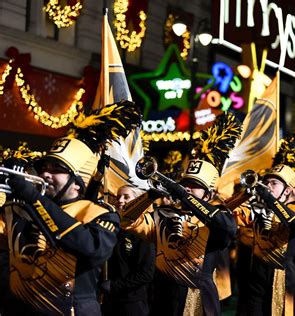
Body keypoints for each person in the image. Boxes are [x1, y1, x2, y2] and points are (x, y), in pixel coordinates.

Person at [0, 100, 141, 315]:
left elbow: (91, 248)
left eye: (57, 169)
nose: (46, 173)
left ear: (77, 183)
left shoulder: (100, 213)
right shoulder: (23, 206)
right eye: (44, 167)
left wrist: (33, 198)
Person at [120, 113, 241, 315]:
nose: (188, 189)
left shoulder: (215, 218)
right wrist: (150, 195)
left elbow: (227, 227)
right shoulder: (162, 215)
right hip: (162, 300)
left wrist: (185, 197)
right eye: (186, 185)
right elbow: (126, 220)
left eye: (195, 187)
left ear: (209, 194)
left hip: (199, 303)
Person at [233, 131, 295, 315]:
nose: (267, 186)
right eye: (266, 182)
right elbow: (228, 214)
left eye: (273, 183)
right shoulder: (257, 206)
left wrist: (269, 199)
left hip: (282, 276)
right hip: (256, 273)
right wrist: (246, 193)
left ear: (288, 191)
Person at [101, 185, 155, 316]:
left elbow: (146, 273)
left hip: (132, 303)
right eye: (118, 196)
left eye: (126, 197)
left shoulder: (143, 231)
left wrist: (114, 286)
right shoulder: (111, 226)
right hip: (109, 301)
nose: (120, 200)